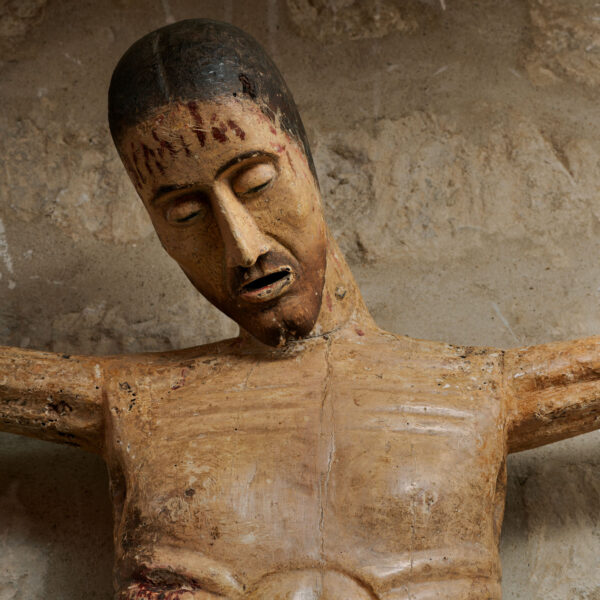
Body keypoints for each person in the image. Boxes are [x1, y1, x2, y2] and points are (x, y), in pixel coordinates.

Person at [2, 19, 599, 600]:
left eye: (257, 182)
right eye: (185, 215)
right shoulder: (136, 403)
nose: (243, 247)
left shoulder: (475, 392)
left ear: (305, 162)